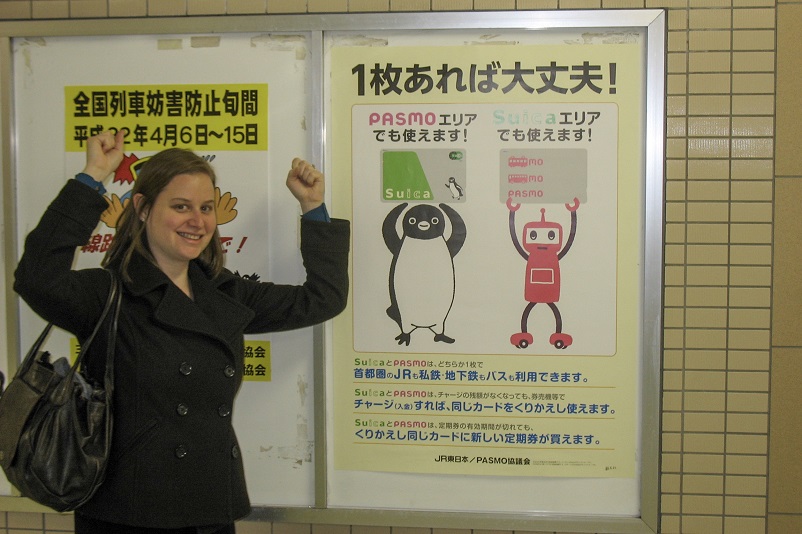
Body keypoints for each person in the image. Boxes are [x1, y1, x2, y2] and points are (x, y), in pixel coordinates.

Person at [13, 130, 350, 534]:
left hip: (209, 507)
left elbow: (322, 299)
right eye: (180, 206)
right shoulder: (109, 292)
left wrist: (313, 206)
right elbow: (36, 278)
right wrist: (93, 175)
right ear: (141, 208)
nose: (198, 220)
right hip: (128, 512)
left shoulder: (223, 292)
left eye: (206, 207)